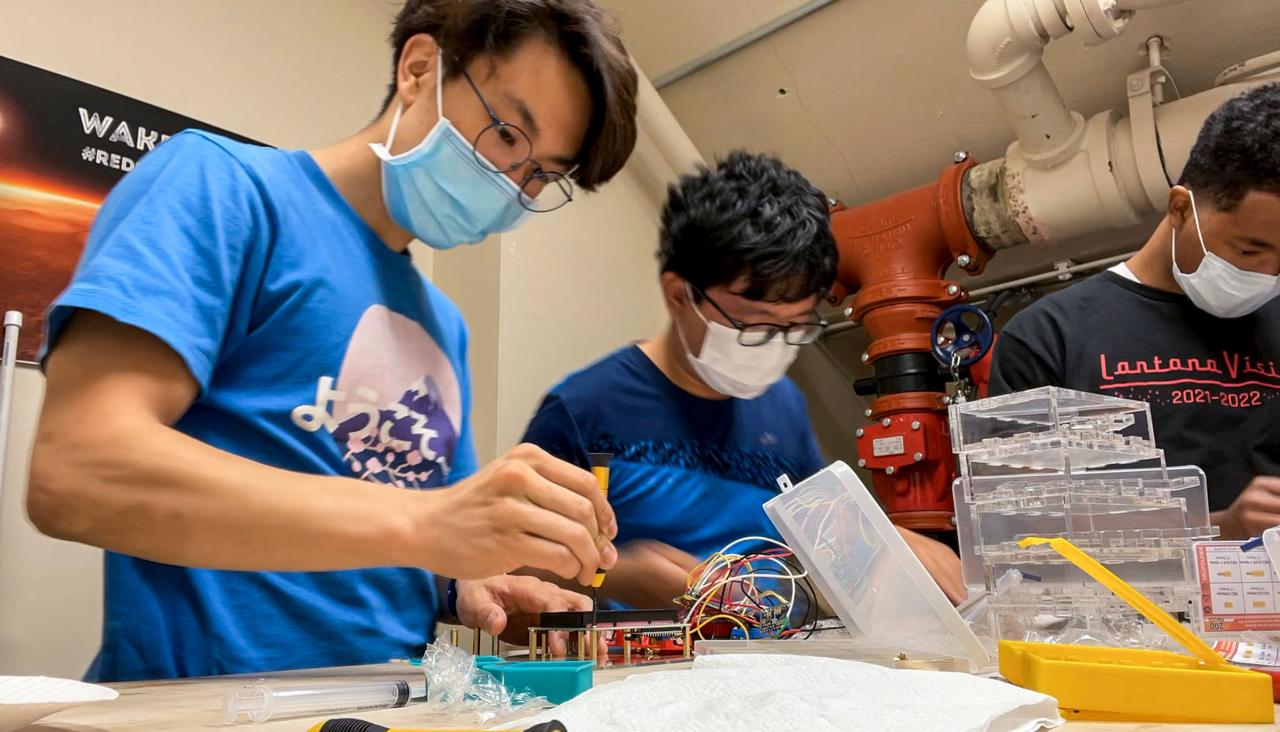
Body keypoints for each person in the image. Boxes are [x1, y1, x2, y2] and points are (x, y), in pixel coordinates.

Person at [27, 0, 638, 681]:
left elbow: (403, 524)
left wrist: (464, 583)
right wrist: (425, 524)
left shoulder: (443, 324)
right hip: (203, 710)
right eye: (506, 136)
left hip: (385, 712)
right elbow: (78, 471)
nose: (512, 185)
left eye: (541, 175)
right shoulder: (225, 190)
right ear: (419, 67)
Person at [520, 151, 967, 610]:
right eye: (755, 325)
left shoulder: (783, 405)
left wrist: (884, 542)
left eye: (795, 328)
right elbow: (509, 583)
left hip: (777, 659)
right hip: (640, 668)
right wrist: (613, 577)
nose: (775, 347)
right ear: (679, 295)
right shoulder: (584, 411)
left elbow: (818, 537)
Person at [990, 82, 1280, 540]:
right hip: (1128, 606)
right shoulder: (1049, 337)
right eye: (1249, 250)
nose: (1268, 274)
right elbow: (1020, 527)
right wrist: (1219, 527)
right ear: (1181, 208)